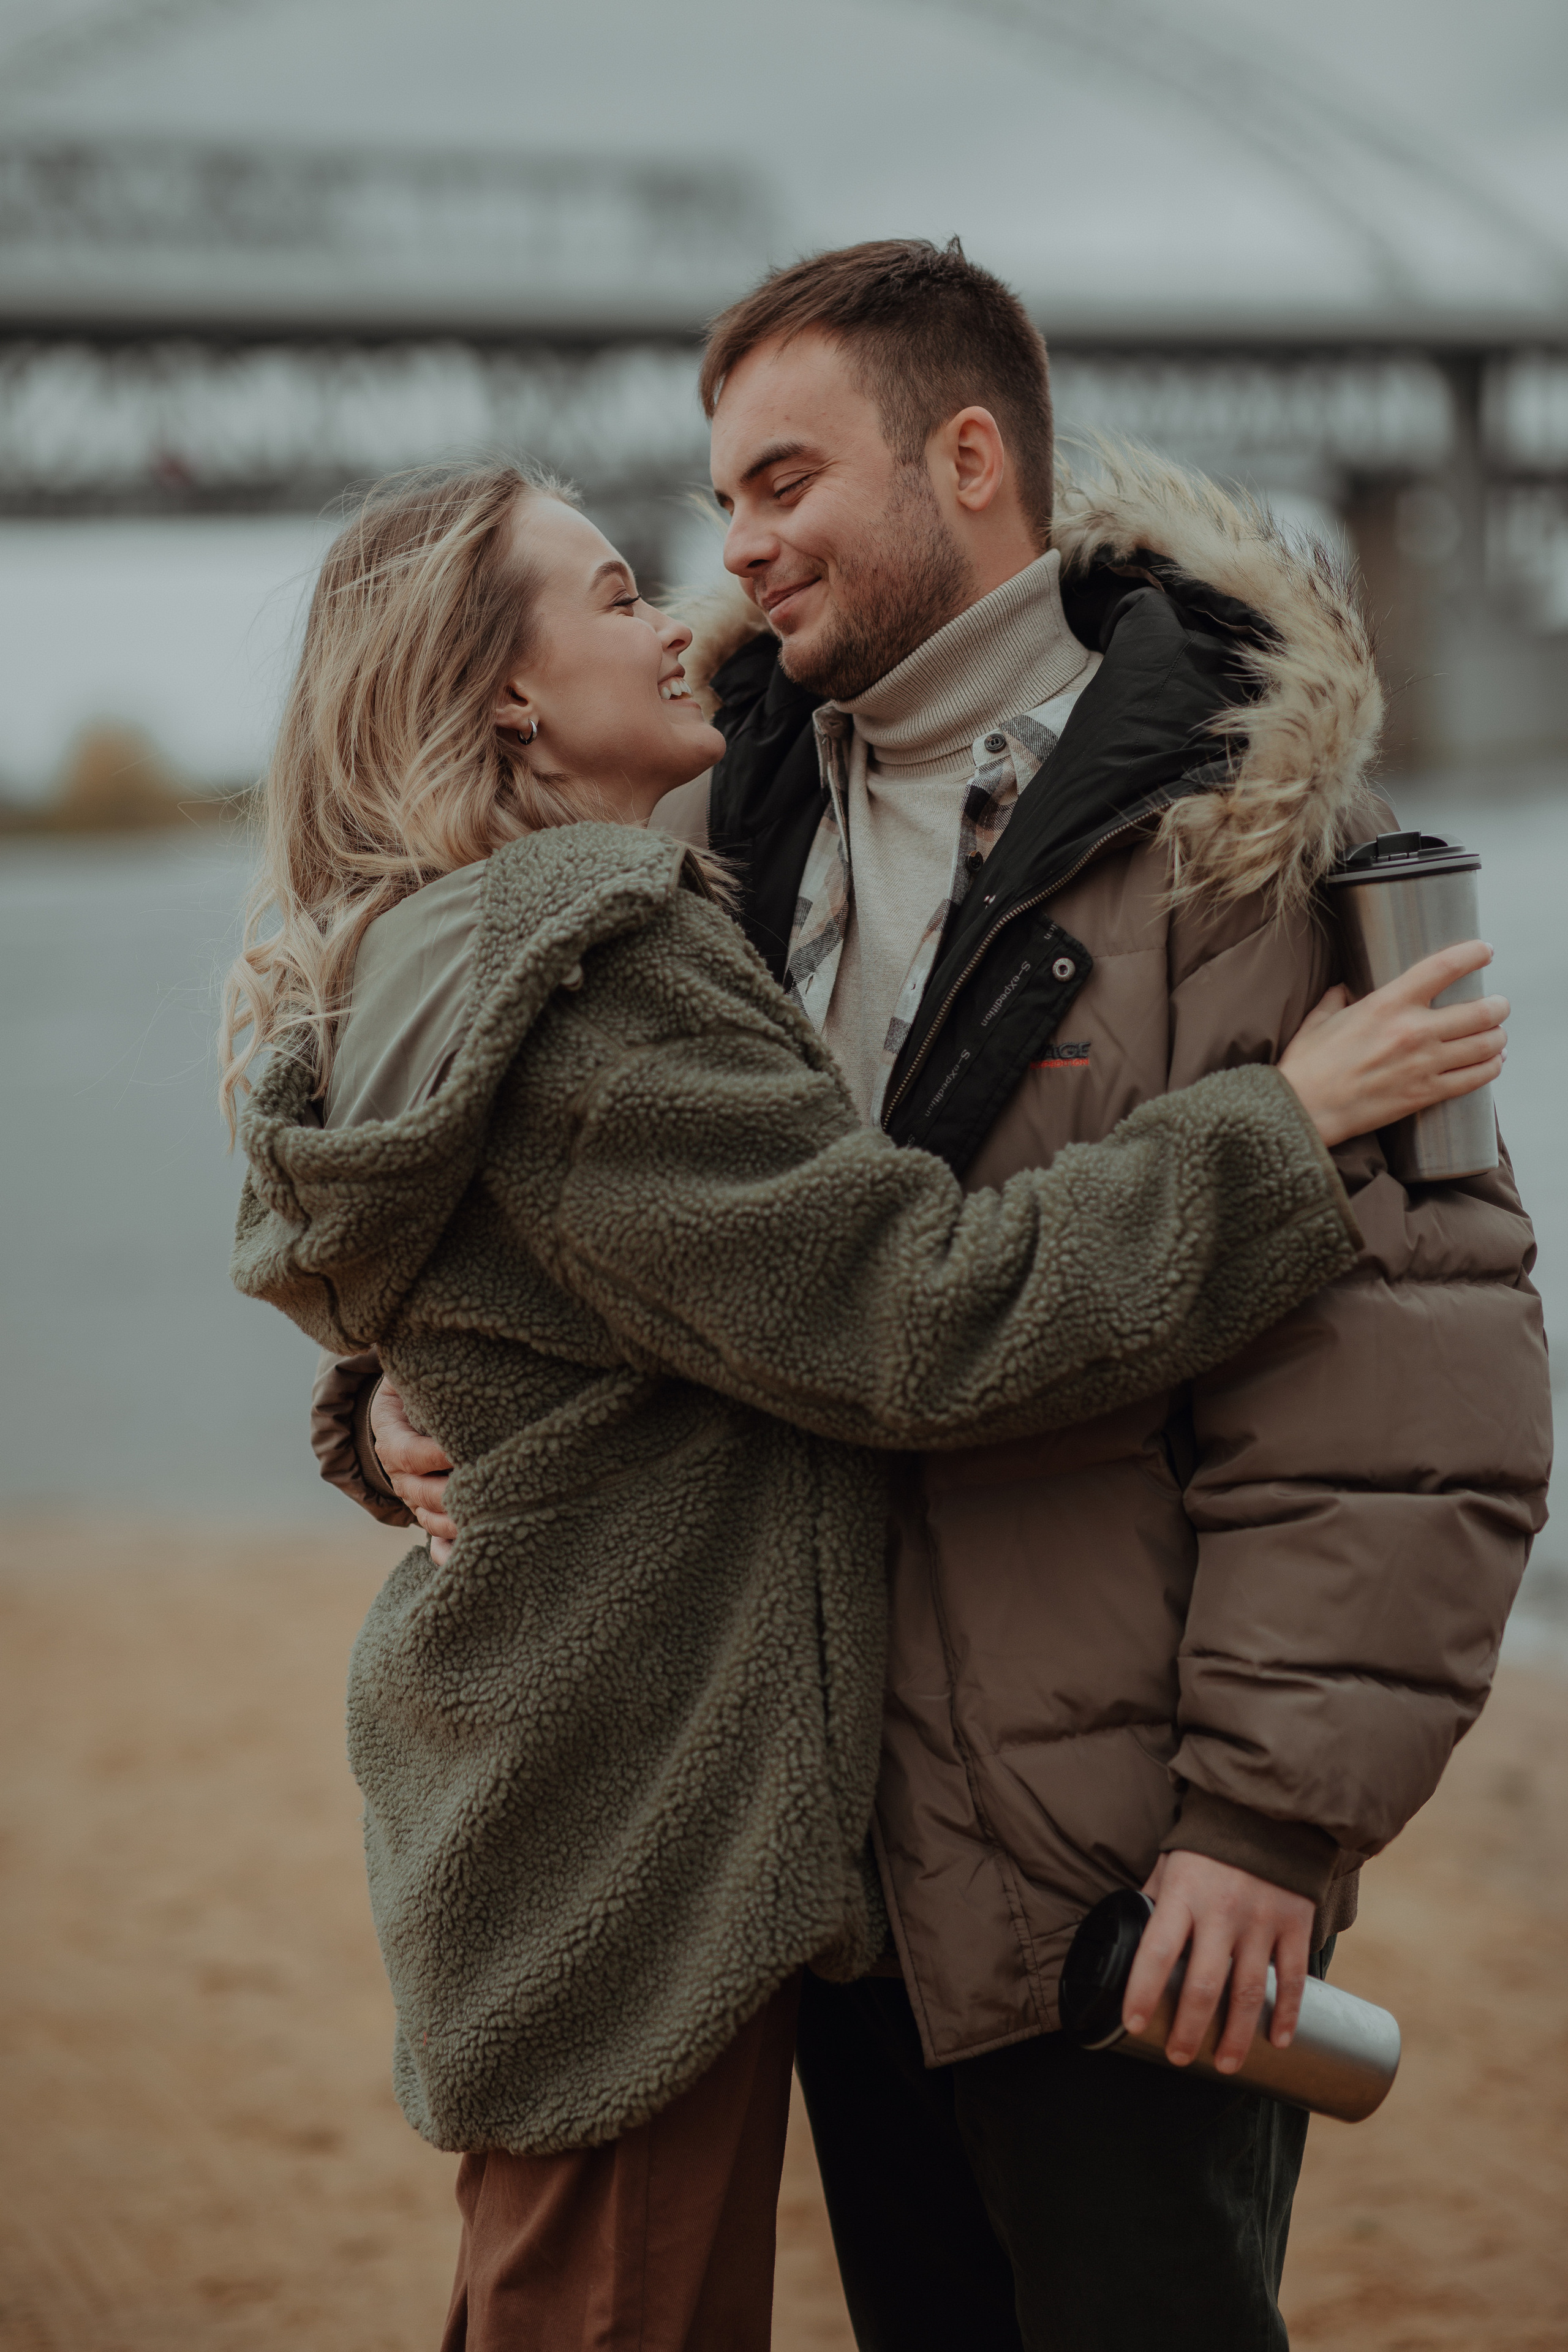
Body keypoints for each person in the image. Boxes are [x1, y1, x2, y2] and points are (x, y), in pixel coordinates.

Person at [231, 461, 1509, 2352]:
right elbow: (906, 1314)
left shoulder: (450, 947)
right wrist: (1283, 1130)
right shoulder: (593, 970)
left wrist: (391, 1400)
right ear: (502, 691)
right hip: (640, 1814)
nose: (689, 601)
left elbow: (543, 1291)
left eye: (769, 489)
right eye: (612, 589)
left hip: (585, 1782)